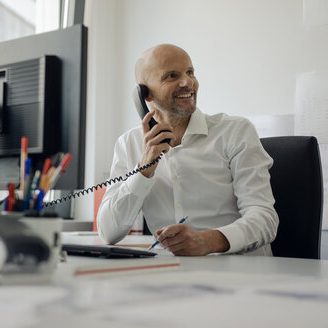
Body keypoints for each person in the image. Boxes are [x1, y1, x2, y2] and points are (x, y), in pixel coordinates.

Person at [97, 44, 279, 256]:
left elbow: (265, 218)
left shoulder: (235, 131)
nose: (187, 82)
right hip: (173, 275)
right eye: (172, 76)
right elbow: (108, 232)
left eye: (190, 72)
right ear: (144, 94)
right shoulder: (129, 143)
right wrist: (144, 170)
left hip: (241, 276)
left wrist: (208, 241)